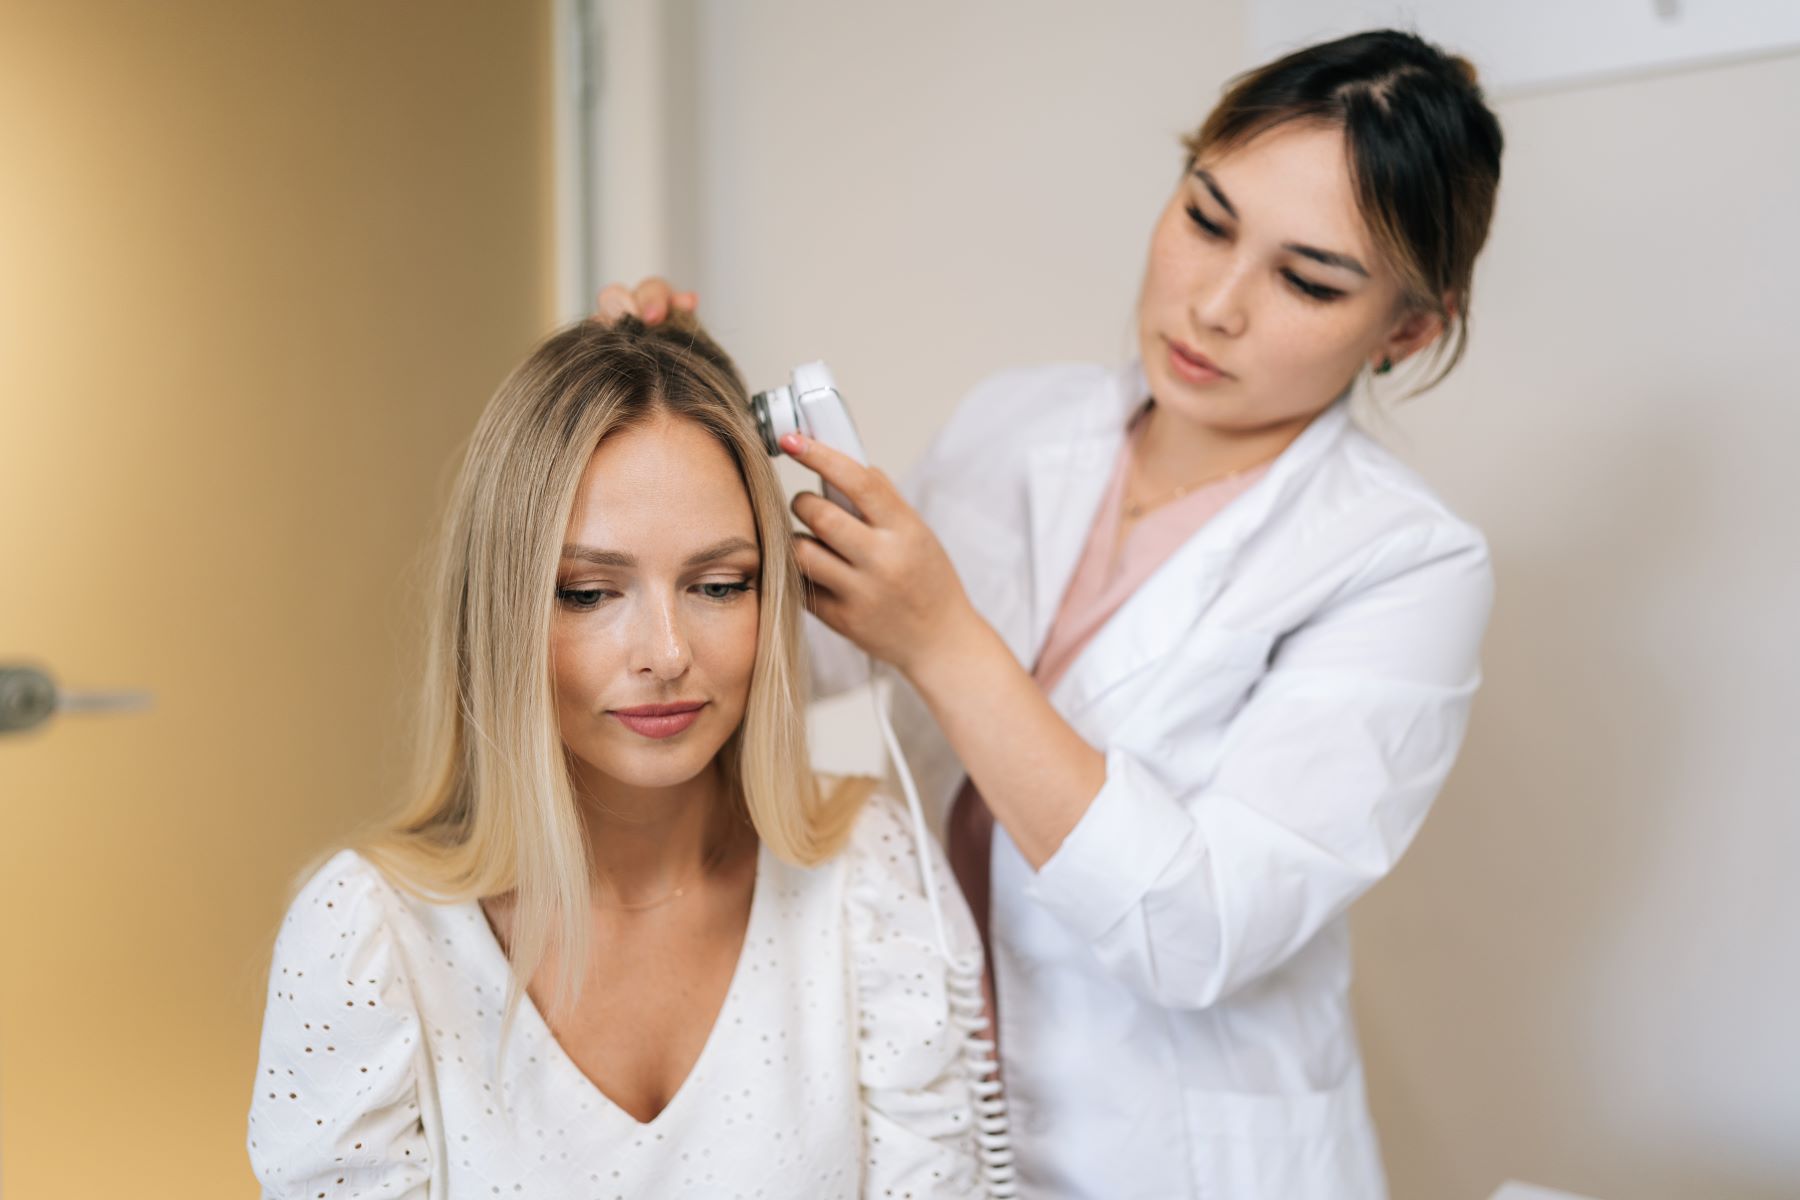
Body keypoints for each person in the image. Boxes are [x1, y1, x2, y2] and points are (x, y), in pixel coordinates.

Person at [601, 27, 1505, 1199]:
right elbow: (798, 660)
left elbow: (1200, 930)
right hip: (926, 1107)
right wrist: (687, 424)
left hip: (1175, 1158)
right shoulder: (1017, 424)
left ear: (1406, 330)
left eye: (1307, 278)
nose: (1217, 303)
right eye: (1207, 217)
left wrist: (942, 639)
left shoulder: (1405, 563)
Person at [247, 314, 998, 1198]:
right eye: (591, 592)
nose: (667, 651)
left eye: (719, 585)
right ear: (503, 607)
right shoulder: (365, 939)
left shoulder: (870, 874)